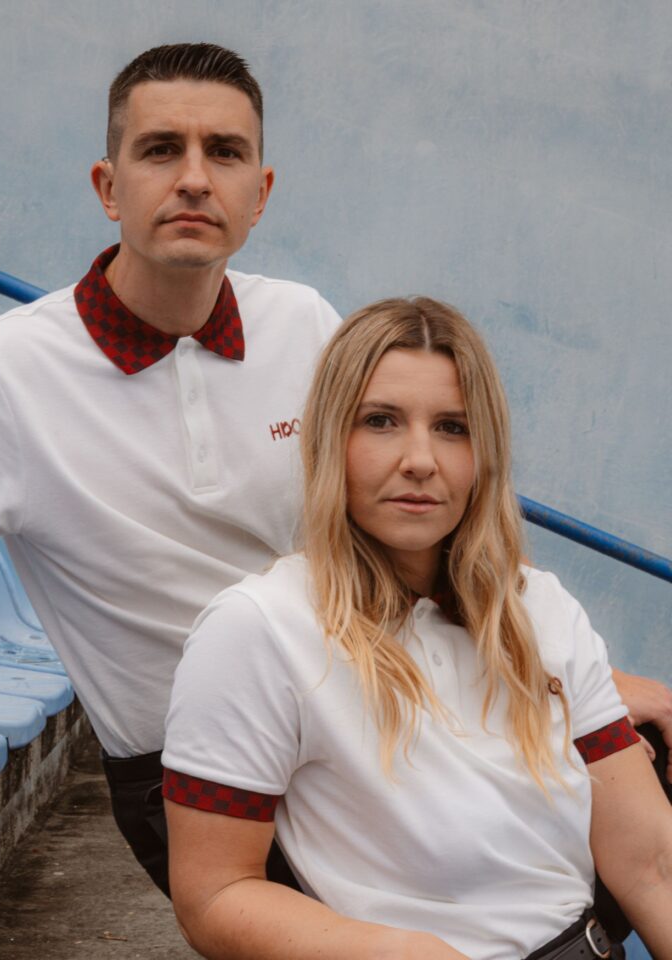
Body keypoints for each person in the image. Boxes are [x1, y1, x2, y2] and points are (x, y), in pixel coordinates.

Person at [0, 43, 668, 899]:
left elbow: (412, 533)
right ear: (108, 187)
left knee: (643, 784)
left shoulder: (303, 324)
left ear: (260, 194)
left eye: (225, 152)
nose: (195, 179)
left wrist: (572, 683)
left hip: (378, 703)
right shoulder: (0, 374)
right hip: (201, 765)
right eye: (161, 150)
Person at [161, 297, 672, 960]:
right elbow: (214, 895)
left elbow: (652, 864)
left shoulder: (539, 606)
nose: (420, 460)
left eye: (453, 427)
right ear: (329, 440)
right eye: (381, 421)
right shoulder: (258, 628)